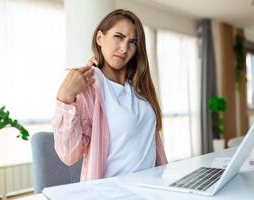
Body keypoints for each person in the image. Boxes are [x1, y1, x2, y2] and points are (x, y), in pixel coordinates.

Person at [52, 9, 168, 182]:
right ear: (100, 38)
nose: (124, 48)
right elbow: (68, 154)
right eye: (118, 37)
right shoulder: (90, 85)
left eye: (132, 42)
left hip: (152, 187)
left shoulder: (139, 86)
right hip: (112, 191)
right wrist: (65, 98)